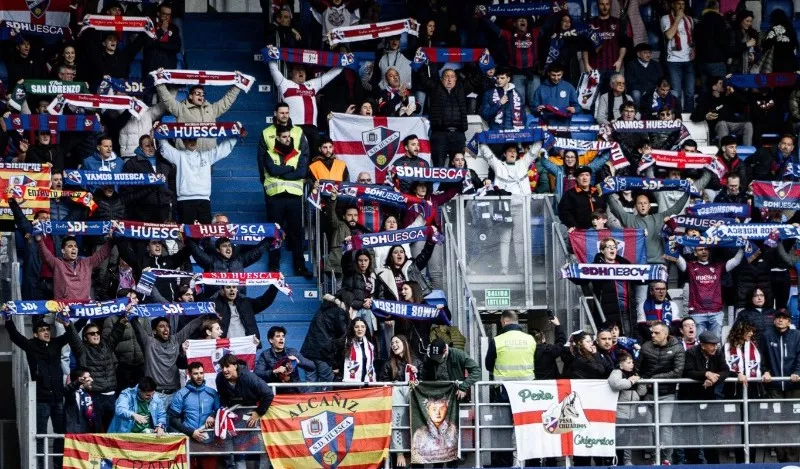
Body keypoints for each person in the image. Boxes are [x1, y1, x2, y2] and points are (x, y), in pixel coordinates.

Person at [3, 316, 69, 463]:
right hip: (41, 400)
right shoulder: (31, 345)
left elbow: (71, 334)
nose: (46, 332)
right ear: (35, 334)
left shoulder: (56, 343)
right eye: (41, 330)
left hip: (58, 398)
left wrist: (76, 318)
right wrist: (8, 320)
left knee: (61, 435)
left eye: (47, 329)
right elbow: (15, 335)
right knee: (40, 435)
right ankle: (40, 466)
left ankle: (58, 465)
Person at [477, 142, 540, 274]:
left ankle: (521, 268)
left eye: (514, 151)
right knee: (505, 239)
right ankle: (504, 269)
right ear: (504, 154)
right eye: (509, 151)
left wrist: (541, 136)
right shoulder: (499, 165)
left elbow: (534, 152)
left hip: (521, 206)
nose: (512, 153)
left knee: (519, 239)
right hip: (504, 208)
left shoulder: (523, 163)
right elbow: (488, 155)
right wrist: (482, 140)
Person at [260, 124, 312, 277]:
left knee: (296, 233)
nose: (287, 139)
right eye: (284, 137)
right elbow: (272, 171)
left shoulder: (298, 153)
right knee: (274, 233)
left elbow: (301, 173)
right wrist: (290, 169)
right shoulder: (269, 153)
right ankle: (273, 266)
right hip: (276, 197)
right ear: (277, 138)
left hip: (294, 197)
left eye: (289, 137)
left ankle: (300, 267)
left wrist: (282, 173)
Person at [61, 315, 128, 431]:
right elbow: (73, 337)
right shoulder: (82, 350)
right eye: (92, 333)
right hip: (95, 396)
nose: (96, 335)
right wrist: (67, 323)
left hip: (111, 395)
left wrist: (123, 318)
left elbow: (117, 332)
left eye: (97, 332)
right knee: (95, 431)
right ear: (85, 337)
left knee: (112, 431)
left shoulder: (107, 346)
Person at [155, 71, 242, 151]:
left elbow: (227, 101)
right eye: (198, 94)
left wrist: (238, 86)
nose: (201, 96)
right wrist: (159, 83)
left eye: (203, 95)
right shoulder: (181, 109)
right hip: (186, 154)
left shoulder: (211, 108)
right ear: (190, 96)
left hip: (208, 156)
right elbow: (167, 100)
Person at [158, 136, 237, 224]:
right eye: (189, 140)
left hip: (204, 200)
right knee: (187, 233)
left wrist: (236, 135)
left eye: (194, 139)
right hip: (185, 201)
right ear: (184, 142)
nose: (192, 142)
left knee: (205, 233)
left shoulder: (207, 156)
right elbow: (165, 147)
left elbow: (223, 149)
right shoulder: (179, 155)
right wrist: (159, 132)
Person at [681, 331, 731, 464]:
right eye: (711, 345)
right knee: (690, 429)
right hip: (689, 396)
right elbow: (687, 372)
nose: (714, 347)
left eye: (715, 344)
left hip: (708, 395)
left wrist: (714, 379)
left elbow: (726, 370)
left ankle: (713, 460)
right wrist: (706, 374)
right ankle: (693, 461)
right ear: (702, 345)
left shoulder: (718, 353)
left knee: (710, 428)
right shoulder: (690, 353)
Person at [639, 323, 685, 464]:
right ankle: (654, 458)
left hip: (666, 393)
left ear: (666, 334)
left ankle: (667, 458)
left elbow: (677, 373)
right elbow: (637, 367)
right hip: (648, 393)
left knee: (665, 426)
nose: (652, 335)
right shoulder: (646, 347)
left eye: (656, 333)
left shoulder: (677, 348)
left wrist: (654, 379)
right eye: (652, 332)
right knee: (650, 427)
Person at [131, 315, 208, 400]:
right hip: (156, 394)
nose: (166, 329)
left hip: (175, 393)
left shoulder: (175, 340)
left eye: (167, 326)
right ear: (154, 331)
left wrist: (207, 315)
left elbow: (190, 327)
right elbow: (137, 327)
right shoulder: (149, 342)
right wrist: (132, 313)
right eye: (161, 326)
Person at [418, 68, 482, 167]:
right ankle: (438, 183)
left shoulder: (462, 88)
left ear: (456, 79)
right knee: (438, 167)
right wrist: (420, 58)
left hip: (458, 135)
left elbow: (477, 78)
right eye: (446, 77)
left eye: (452, 77)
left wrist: (480, 60)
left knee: (458, 168)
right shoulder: (435, 87)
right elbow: (422, 78)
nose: (449, 79)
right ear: (441, 78)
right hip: (439, 135)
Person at [675, 245, 744, 337]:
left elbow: (736, 261)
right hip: (697, 312)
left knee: (715, 343)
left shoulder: (718, 267)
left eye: (706, 249)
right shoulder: (691, 266)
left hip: (716, 312)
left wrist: (743, 246)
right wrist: (672, 245)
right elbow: (678, 260)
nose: (704, 251)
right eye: (700, 250)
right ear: (695, 253)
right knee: (698, 343)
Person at [760, 309, 800, 463]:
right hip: (774, 387)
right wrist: (765, 371)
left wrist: (797, 372)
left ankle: (794, 460)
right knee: (776, 423)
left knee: (794, 422)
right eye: (778, 317)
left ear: (789, 321)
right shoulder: (766, 336)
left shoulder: (797, 336)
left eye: (784, 318)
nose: (781, 320)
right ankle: (781, 459)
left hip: (794, 387)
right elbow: (761, 358)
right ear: (774, 320)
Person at [169, 362, 220, 469]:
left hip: (208, 441)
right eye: (196, 373)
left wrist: (213, 414)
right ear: (189, 374)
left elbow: (220, 411)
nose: (199, 376)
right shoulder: (181, 394)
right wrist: (191, 432)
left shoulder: (212, 392)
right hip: (188, 440)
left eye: (201, 373)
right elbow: (172, 419)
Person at [380, 334, 420, 468]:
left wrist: (417, 373)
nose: (394, 345)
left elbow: (425, 381)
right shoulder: (388, 364)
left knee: (415, 423)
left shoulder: (416, 361)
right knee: (397, 422)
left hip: (412, 401)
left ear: (404, 343)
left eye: (397, 342)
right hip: (397, 401)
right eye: (392, 343)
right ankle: (399, 452)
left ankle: (417, 454)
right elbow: (383, 383)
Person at [119, 135, 175, 223]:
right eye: (147, 146)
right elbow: (126, 191)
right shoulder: (132, 164)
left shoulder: (164, 161)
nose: (151, 148)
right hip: (142, 210)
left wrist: (169, 195)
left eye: (152, 145)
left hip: (164, 208)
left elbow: (172, 183)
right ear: (140, 148)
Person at [301, 294, 351, 388]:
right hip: (323, 353)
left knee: (311, 384)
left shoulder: (322, 308)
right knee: (327, 383)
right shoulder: (339, 311)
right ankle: (325, 403)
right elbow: (345, 332)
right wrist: (349, 318)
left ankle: (309, 402)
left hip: (308, 352)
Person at [608, 350, 646, 466]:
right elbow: (615, 384)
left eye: (632, 362)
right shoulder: (617, 372)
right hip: (620, 411)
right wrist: (630, 382)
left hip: (632, 411)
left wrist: (640, 381)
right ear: (621, 364)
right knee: (618, 436)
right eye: (628, 362)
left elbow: (642, 392)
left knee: (629, 437)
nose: (632, 365)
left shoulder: (634, 374)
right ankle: (614, 460)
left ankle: (627, 460)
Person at [690, 77, 752, 145]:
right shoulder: (707, 100)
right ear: (714, 87)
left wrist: (733, 92)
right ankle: (724, 150)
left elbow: (745, 103)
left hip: (732, 124)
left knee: (748, 125)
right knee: (722, 123)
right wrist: (705, 116)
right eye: (720, 83)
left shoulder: (727, 97)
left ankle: (748, 150)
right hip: (718, 126)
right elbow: (693, 117)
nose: (723, 85)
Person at [254, 326, 314, 394]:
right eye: (278, 336)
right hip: (276, 394)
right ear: (271, 340)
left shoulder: (292, 352)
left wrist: (299, 361)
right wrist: (274, 371)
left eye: (283, 336)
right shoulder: (265, 355)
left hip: (296, 391)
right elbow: (257, 374)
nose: (281, 338)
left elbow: (312, 367)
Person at [660, 0, 695, 113]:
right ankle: (678, 116)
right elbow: (669, 35)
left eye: (683, 4)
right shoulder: (665, 18)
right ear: (672, 4)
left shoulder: (689, 19)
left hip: (688, 60)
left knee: (690, 92)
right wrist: (678, 19)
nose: (681, 6)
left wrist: (694, 49)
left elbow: (691, 38)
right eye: (678, 4)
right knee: (677, 92)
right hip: (673, 61)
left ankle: (689, 118)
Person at [213, 284, 278, 342]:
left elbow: (264, 301)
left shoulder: (246, 303)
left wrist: (275, 285)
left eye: (234, 287)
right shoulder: (215, 305)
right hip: (225, 345)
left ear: (237, 290)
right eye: (228, 287)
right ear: (222, 291)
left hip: (247, 345)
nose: (232, 289)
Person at [485, 311, 536, 381]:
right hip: (526, 383)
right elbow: (536, 360)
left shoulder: (497, 340)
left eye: (501, 322)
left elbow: (489, 365)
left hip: (503, 384)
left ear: (504, 321)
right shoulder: (530, 339)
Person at [411, 395, 458, 463]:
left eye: (441, 408)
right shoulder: (420, 433)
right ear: (427, 410)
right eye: (434, 409)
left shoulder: (453, 429)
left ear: (447, 409)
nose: (438, 413)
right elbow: (415, 454)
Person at [694, 0, 729, 93]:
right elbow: (722, 41)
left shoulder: (699, 19)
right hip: (716, 61)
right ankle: (716, 108)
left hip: (701, 62)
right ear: (717, 8)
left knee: (704, 91)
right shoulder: (719, 19)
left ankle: (704, 107)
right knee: (717, 91)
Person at [557, 166, 606, 231]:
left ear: (590, 177)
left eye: (587, 175)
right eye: (581, 175)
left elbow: (604, 209)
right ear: (576, 178)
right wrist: (572, 225)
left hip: (599, 229)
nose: (585, 178)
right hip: (580, 232)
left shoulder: (598, 192)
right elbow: (564, 212)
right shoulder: (570, 194)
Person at [337, 317, 377, 383]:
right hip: (348, 384)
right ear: (353, 328)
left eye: (362, 327)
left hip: (366, 384)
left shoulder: (371, 346)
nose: (360, 329)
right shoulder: (344, 343)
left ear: (366, 328)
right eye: (357, 327)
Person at [533, 315, 567, 380]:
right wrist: (557, 325)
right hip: (551, 384)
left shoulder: (526, 352)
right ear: (543, 339)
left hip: (534, 384)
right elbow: (561, 341)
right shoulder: (549, 350)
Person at [64, 367, 96, 434]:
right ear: (79, 379)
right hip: (73, 435)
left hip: (87, 434)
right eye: (88, 377)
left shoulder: (89, 394)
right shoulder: (72, 394)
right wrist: (77, 383)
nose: (92, 380)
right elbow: (67, 390)